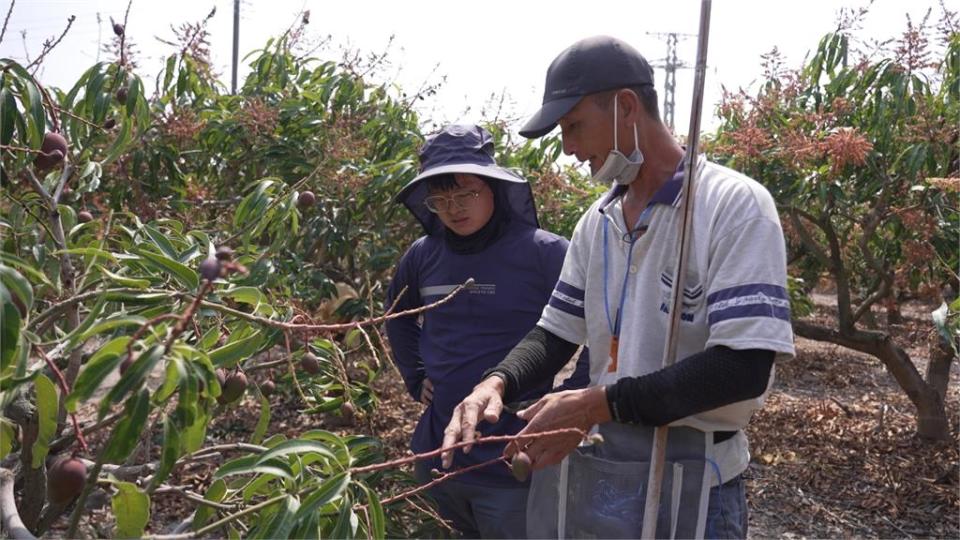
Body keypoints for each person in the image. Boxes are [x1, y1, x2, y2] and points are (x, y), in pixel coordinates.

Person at [441, 36, 796, 539]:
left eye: (573, 126)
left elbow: (743, 368)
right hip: (613, 472)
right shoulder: (599, 220)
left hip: (701, 482)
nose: (567, 148)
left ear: (626, 106)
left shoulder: (730, 205)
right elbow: (556, 332)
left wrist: (594, 404)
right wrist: (495, 383)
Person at [384, 124, 589, 539]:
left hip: (514, 458)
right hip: (437, 457)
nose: (454, 208)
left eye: (465, 194)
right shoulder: (424, 255)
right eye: (440, 200)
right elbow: (397, 315)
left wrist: (573, 399)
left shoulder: (545, 252)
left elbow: (601, 324)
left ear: (493, 188)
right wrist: (415, 376)